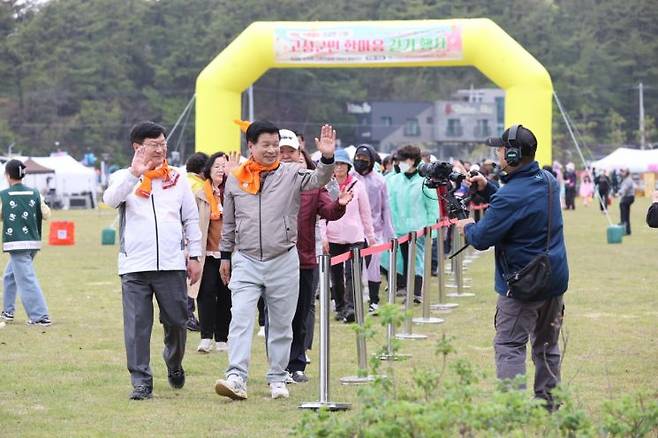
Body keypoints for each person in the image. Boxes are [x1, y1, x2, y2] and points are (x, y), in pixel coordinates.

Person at [214, 120, 336, 401]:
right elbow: (229, 222)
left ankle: (278, 377)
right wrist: (225, 256)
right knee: (241, 318)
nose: (272, 150)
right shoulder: (236, 178)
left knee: (281, 323)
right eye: (265, 145)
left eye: (275, 145)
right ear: (251, 146)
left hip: (283, 259)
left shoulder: (292, 173)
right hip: (245, 259)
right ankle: (236, 377)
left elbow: (320, 179)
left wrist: (327, 157)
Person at [456, 125, 569, 411]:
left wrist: (468, 226)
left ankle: (513, 409)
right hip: (553, 279)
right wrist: (489, 187)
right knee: (547, 347)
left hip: (523, 285)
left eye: (502, 149)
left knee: (509, 346)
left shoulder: (510, 196)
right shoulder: (548, 180)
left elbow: (481, 239)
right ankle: (549, 405)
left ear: (514, 153)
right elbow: (518, 202)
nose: (498, 153)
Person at [103, 121, 202, 401]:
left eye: (163, 144)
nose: (161, 149)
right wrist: (135, 174)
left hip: (171, 264)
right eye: (154, 145)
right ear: (138, 148)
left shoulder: (177, 177)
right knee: (137, 326)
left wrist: (195, 256)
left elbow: (191, 219)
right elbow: (110, 200)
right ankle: (141, 381)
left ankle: (174, 363)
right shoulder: (124, 177)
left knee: (177, 322)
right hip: (135, 265)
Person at [279, 137, 350, 382]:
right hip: (274, 259)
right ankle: (277, 365)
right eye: (282, 152)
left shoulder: (311, 184)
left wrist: (339, 204)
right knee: (276, 315)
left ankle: (296, 364)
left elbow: (328, 210)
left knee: (300, 314)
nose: (287, 156)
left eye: (292, 152)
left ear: (301, 155)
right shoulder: (266, 182)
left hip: (304, 259)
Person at [190, 152, 238, 353]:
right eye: (217, 166)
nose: (220, 169)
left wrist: (235, 176)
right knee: (206, 293)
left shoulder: (233, 192)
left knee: (226, 294)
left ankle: (222, 338)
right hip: (206, 253)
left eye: (224, 166)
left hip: (229, 253)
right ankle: (206, 337)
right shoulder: (200, 194)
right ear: (208, 169)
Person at [323, 148, 376, 323]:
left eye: (341, 164)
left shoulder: (357, 185)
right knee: (336, 275)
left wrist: (371, 237)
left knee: (352, 273)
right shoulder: (327, 186)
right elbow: (321, 215)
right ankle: (339, 306)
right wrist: (323, 236)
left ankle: (351, 307)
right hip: (333, 236)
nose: (338, 167)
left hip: (355, 236)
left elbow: (365, 213)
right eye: (336, 164)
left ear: (347, 166)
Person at [0, 159, 52, 326]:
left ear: (8, 175)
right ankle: (8, 311)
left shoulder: (4, 195)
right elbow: (46, 214)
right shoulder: (35, 193)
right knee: (10, 276)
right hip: (32, 242)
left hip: (16, 243)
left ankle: (40, 316)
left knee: (26, 279)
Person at [386, 145, 439, 301]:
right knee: (401, 260)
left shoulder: (425, 181)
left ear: (410, 161)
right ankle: (402, 287)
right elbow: (390, 205)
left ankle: (416, 292)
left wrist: (431, 229)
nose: (398, 164)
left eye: (401, 160)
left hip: (419, 229)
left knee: (416, 260)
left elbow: (432, 207)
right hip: (398, 229)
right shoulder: (394, 180)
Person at [352, 144, 395, 313]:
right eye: (358, 158)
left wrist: (389, 231)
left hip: (374, 230)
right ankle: (351, 301)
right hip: (354, 229)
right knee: (352, 266)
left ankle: (374, 300)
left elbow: (386, 207)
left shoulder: (379, 181)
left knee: (373, 266)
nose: (360, 161)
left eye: (364, 159)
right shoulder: (350, 177)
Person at [184, 152, 209, 332]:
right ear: (202, 170)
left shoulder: (182, 180)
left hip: (180, 239)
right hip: (193, 239)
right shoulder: (199, 186)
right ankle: (187, 315)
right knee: (192, 281)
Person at [617, 169, 635, 235]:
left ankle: (623, 222)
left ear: (626, 173)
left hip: (629, 197)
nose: (621, 173)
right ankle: (628, 231)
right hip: (626, 198)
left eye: (623, 172)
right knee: (626, 214)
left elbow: (624, 188)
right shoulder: (625, 179)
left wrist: (619, 193)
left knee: (622, 205)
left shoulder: (628, 180)